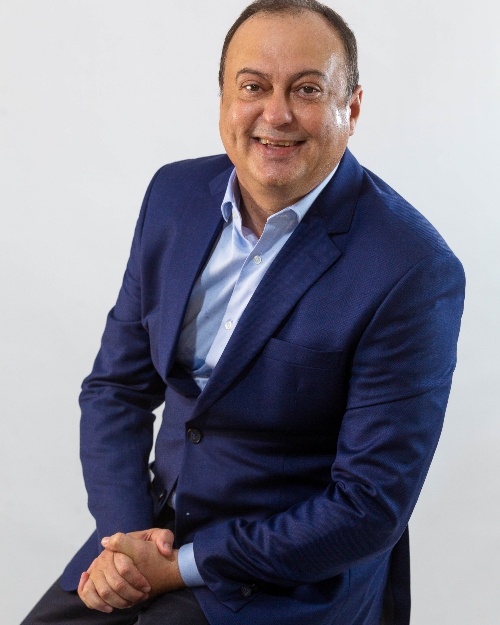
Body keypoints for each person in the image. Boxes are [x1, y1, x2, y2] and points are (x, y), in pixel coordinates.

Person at [21, 1, 465, 624]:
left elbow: (368, 506)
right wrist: (127, 542)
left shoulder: (411, 268)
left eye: (307, 90)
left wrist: (178, 568)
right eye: (253, 87)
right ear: (225, 100)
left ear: (353, 108)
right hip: (156, 529)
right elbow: (115, 389)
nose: (276, 114)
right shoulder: (173, 196)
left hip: (292, 574)